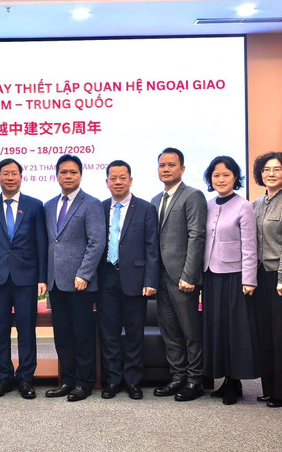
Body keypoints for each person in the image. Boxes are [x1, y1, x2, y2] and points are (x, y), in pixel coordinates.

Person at [0, 158, 47, 399]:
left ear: (21, 177)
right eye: (5, 173)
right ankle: (3, 377)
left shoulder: (34, 205)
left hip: (26, 277)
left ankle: (26, 377)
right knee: (0, 329)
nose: (10, 177)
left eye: (14, 173)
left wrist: (42, 277)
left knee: (26, 329)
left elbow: (41, 243)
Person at [43, 155, 106, 402]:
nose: (68, 176)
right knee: (62, 335)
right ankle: (68, 380)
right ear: (56, 175)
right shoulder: (49, 205)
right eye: (64, 172)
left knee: (82, 335)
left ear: (81, 175)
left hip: (81, 283)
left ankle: (84, 382)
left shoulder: (91, 204)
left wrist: (85, 273)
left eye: (73, 172)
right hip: (56, 282)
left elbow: (97, 242)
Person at [97, 160, 159, 400]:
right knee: (109, 332)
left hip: (136, 278)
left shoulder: (145, 208)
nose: (118, 182)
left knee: (134, 332)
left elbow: (152, 248)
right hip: (106, 277)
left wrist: (150, 280)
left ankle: (133, 380)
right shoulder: (99, 208)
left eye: (123, 177)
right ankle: (113, 380)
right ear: (107, 182)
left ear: (130, 180)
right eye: (113, 178)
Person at [151, 147, 208, 402]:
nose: (166, 169)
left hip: (182, 277)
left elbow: (197, 236)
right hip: (160, 278)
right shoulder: (155, 200)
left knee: (190, 331)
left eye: (171, 165)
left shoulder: (192, 196)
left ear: (182, 169)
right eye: (162, 165)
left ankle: (195, 380)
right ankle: (177, 377)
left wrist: (190, 275)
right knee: (169, 331)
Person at [202, 155, 259, 405]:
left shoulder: (243, 205)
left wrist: (249, 280)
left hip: (235, 277)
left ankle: (235, 383)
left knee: (235, 330)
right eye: (216, 175)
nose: (221, 179)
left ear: (235, 178)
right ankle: (224, 378)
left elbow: (250, 246)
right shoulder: (208, 204)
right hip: (211, 275)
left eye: (226, 175)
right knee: (217, 329)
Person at [251, 152, 282, 408]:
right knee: (265, 335)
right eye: (266, 169)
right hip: (259, 276)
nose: (271, 173)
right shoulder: (256, 204)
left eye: (277, 169)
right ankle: (269, 388)